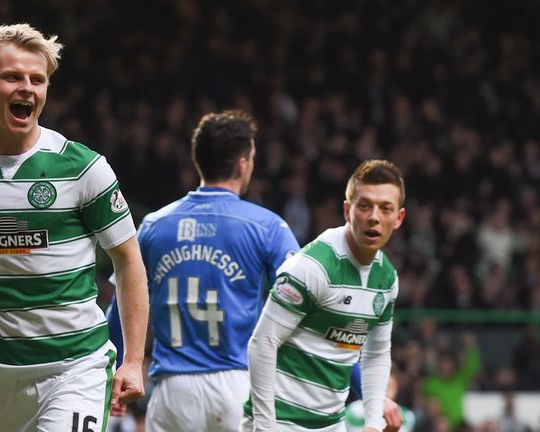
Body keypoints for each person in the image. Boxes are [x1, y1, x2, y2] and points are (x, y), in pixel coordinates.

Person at [0, 23, 149, 432]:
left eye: (37, 79)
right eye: (12, 77)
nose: (27, 87)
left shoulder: (83, 168)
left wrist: (133, 361)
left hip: (76, 365)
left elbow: (129, 262)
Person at [111, 110, 301, 431]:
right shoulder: (267, 226)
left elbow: (120, 307)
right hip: (237, 384)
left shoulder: (154, 226)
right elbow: (305, 305)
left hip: (171, 389)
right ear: (243, 163)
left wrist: (116, 371)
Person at [245, 159, 406, 432]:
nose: (374, 217)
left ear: (398, 218)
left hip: (331, 424)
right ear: (347, 210)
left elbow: (376, 353)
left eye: (385, 208)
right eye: (364, 205)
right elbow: (262, 343)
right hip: (279, 422)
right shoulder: (312, 266)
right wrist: (264, 426)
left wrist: (372, 422)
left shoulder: (387, 279)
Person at [345, 367, 415, 431]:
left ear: (397, 387)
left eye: (389, 387)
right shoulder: (354, 411)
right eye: (383, 387)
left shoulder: (406, 416)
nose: (386, 393)